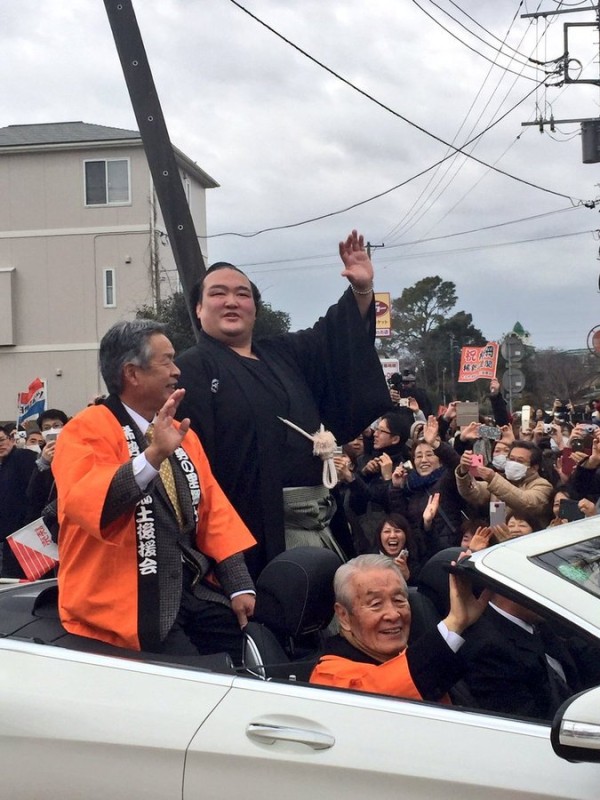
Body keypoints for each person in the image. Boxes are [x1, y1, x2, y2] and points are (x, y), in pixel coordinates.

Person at [176, 230, 391, 579]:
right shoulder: (190, 369)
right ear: (199, 308)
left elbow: (332, 336)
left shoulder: (282, 353)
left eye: (242, 294)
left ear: (255, 311)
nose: (232, 301)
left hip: (321, 515)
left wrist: (361, 290)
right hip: (249, 530)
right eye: (218, 293)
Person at [52, 320, 257, 664]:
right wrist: (151, 457)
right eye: (167, 361)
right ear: (132, 373)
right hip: (122, 599)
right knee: (204, 681)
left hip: (190, 589)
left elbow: (213, 512)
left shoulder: (181, 433)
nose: (177, 371)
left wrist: (239, 584)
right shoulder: (84, 430)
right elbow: (88, 502)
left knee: (253, 652)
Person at [310, 554, 489, 700]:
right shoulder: (329, 676)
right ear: (344, 616)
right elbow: (381, 696)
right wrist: (454, 623)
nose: (393, 614)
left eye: (399, 600)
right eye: (376, 604)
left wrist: (464, 621)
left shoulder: (405, 654)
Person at [0, 425, 37, 576]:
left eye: (1, 440)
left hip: (24, 533)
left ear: (11, 439)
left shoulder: (24, 456)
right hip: (6, 537)